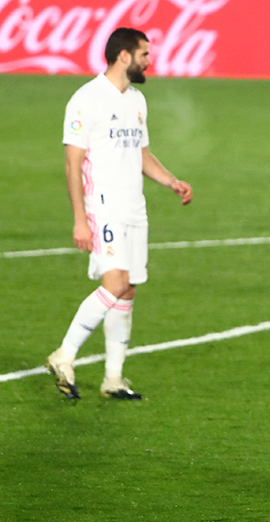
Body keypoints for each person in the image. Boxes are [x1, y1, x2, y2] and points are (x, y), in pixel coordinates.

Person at [47, 27, 193, 400]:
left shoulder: (136, 100)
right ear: (124, 56)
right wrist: (80, 218)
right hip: (104, 206)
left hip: (134, 207)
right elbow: (72, 162)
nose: (149, 60)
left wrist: (171, 181)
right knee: (114, 283)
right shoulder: (86, 100)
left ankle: (113, 378)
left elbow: (142, 153)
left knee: (127, 289)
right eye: (144, 54)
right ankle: (64, 355)